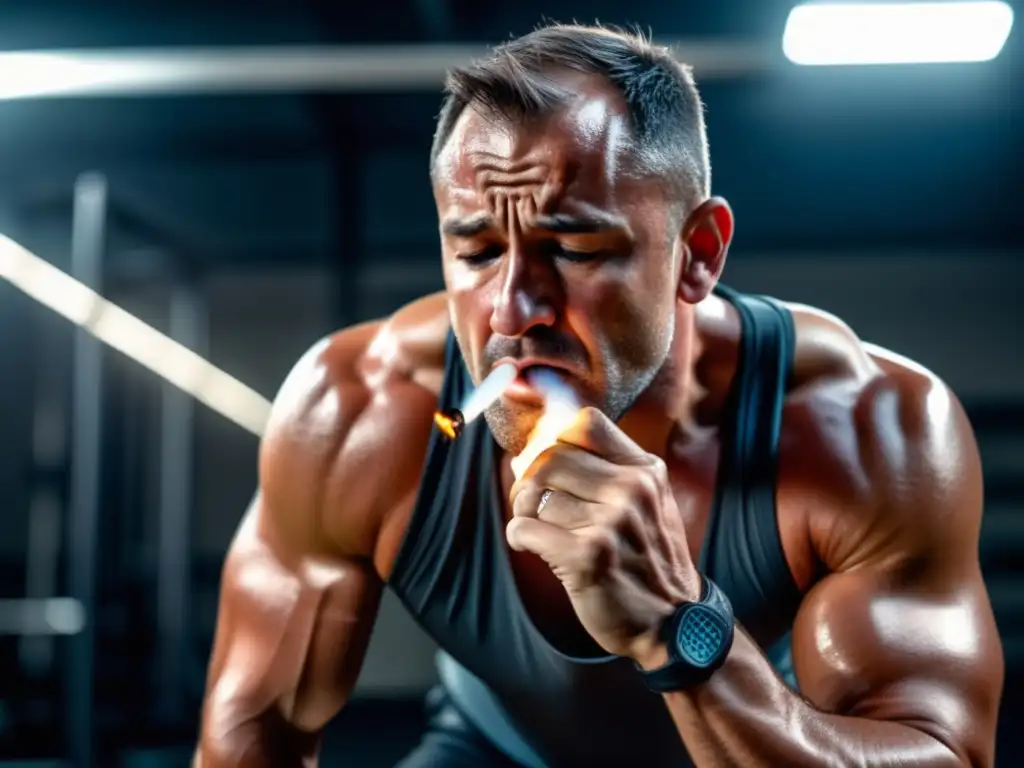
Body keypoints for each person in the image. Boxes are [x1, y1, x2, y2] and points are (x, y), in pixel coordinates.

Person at [192, 23, 1004, 768]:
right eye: (476, 252)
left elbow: (943, 754)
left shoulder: (870, 427)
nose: (513, 310)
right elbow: (250, 739)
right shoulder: (359, 408)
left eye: (574, 247)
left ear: (698, 253)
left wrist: (680, 627)